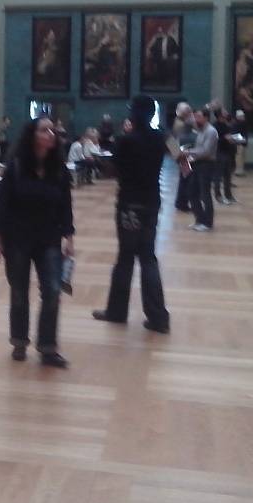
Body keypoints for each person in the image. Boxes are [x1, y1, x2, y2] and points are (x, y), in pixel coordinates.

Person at [0, 117, 74, 367]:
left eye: (52, 130)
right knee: (19, 292)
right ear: (32, 135)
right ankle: (19, 341)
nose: (51, 134)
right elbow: (3, 204)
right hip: (18, 238)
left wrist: (69, 236)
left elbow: (65, 205)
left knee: (53, 290)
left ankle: (48, 347)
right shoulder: (16, 167)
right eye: (44, 130)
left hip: (49, 238)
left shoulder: (59, 169)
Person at [92, 95, 171, 334]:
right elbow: (181, 159)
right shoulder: (162, 137)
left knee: (126, 257)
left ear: (134, 113)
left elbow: (111, 170)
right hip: (151, 203)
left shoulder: (126, 140)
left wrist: (98, 161)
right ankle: (158, 317)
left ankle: (117, 311)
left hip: (129, 204)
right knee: (148, 257)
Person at [182, 107, 217, 231]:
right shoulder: (201, 130)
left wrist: (188, 152)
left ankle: (207, 223)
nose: (195, 119)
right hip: (197, 164)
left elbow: (206, 151)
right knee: (192, 192)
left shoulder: (211, 131)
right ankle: (200, 219)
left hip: (207, 165)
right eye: (195, 116)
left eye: (198, 117)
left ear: (206, 118)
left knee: (205, 194)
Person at [171, 102, 196, 212]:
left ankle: (180, 202)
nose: (190, 113)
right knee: (186, 179)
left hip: (181, 153)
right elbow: (179, 140)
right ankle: (182, 203)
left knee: (184, 179)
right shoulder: (181, 124)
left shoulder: (178, 121)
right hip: (183, 154)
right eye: (188, 111)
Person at [213, 109, 237, 204]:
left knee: (228, 176)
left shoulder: (226, 125)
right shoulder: (215, 126)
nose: (226, 114)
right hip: (219, 153)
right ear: (220, 116)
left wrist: (232, 139)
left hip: (227, 152)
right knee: (218, 176)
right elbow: (215, 140)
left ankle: (228, 195)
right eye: (224, 113)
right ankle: (218, 196)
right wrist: (225, 138)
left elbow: (229, 136)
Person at [232, 109, 249, 176]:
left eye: (243, 116)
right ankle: (238, 170)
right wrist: (243, 140)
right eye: (241, 116)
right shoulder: (236, 124)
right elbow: (234, 134)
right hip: (239, 144)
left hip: (242, 143)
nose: (243, 117)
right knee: (239, 158)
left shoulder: (243, 124)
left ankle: (241, 170)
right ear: (238, 117)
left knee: (242, 157)